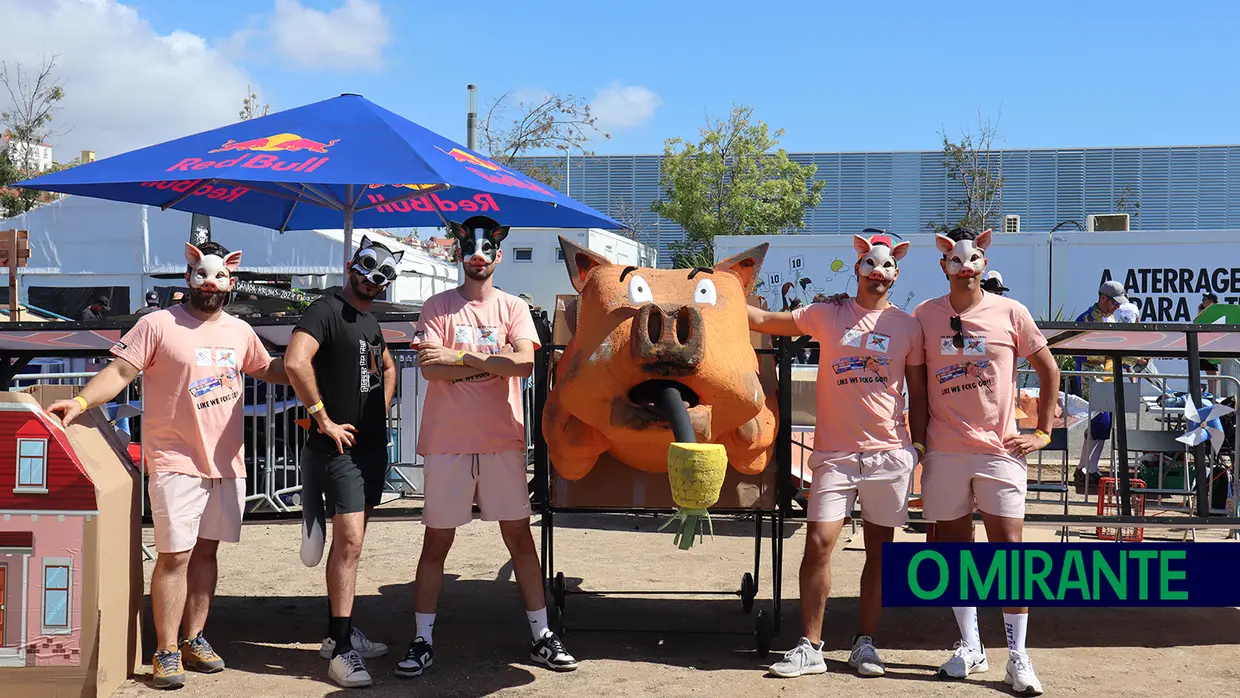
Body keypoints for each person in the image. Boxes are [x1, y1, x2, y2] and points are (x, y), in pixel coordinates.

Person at [46, 241, 289, 690]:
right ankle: (166, 649)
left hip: (225, 464)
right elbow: (120, 372)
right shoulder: (157, 324)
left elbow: (269, 369)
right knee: (174, 556)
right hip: (174, 459)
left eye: (219, 277)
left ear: (231, 280)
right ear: (187, 276)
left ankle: (195, 638)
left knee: (206, 552)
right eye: (201, 275)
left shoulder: (239, 330)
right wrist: (80, 401)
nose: (210, 284)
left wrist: (315, 363)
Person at [397, 215, 577, 679]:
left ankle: (541, 635)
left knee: (519, 537)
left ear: (497, 255)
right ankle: (422, 639)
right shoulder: (436, 306)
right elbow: (430, 370)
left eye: (486, 252)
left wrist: (462, 357)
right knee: (437, 540)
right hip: (447, 442)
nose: (478, 258)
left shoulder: (514, 308)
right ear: (460, 253)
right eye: (469, 251)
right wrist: (489, 363)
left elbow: (521, 364)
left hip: (501, 440)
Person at [750, 233, 927, 680]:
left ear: (896, 272)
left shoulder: (909, 326)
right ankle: (810, 646)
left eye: (886, 266)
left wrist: (918, 447)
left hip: (889, 454)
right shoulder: (826, 313)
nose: (878, 272)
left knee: (880, 553)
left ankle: (865, 644)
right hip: (834, 455)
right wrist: (716, 298)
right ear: (857, 268)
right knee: (818, 543)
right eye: (870, 264)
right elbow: (767, 320)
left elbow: (920, 394)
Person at [912, 227, 1059, 696]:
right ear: (943, 265)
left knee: (1009, 555)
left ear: (982, 259)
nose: (964, 267)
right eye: (955, 260)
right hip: (945, 451)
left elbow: (1049, 369)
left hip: (1001, 451)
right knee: (956, 552)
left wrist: (1043, 431)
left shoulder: (1010, 311)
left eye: (972, 258)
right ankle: (971, 646)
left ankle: (1018, 657)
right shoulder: (924, 316)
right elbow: (910, 376)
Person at [284, 235, 401, 689]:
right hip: (339, 450)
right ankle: (340, 647)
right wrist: (323, 419)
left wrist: (381, 407)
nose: (375, 280)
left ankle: (342, 633)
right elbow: (295, 362)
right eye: (370, 268)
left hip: (371, 448)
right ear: (353, 263)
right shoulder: (325, 309)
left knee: (352, 545)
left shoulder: (369, 321)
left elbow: (388, 366)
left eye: (384, 276)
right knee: (349, 543)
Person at [1073, 280, 1146, 494]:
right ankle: (1086, 469)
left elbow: (1117, 349)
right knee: (1101, 422)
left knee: (1104, 424)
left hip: (1109, 378)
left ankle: (1086, 469)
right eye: (1115, 302)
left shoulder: (1113, 317)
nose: (1117, 306)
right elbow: (1082, 352)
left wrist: (1133, 358)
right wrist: (1125, 357)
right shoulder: (1085, 320)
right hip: (1091, 379)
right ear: (1103, 298)